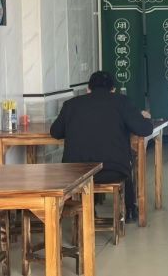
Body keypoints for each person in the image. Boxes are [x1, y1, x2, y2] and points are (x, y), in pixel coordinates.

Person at [50, 71, 153, 223]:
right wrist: (146, 118)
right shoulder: (122, 102)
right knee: (126, 161)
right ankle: (130, 210)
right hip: (111, 172)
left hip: (76, 175)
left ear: (88, 89)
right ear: (113, 90)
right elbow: (144, 129)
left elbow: (55, 132)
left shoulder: (70, 105)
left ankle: (85, 211)